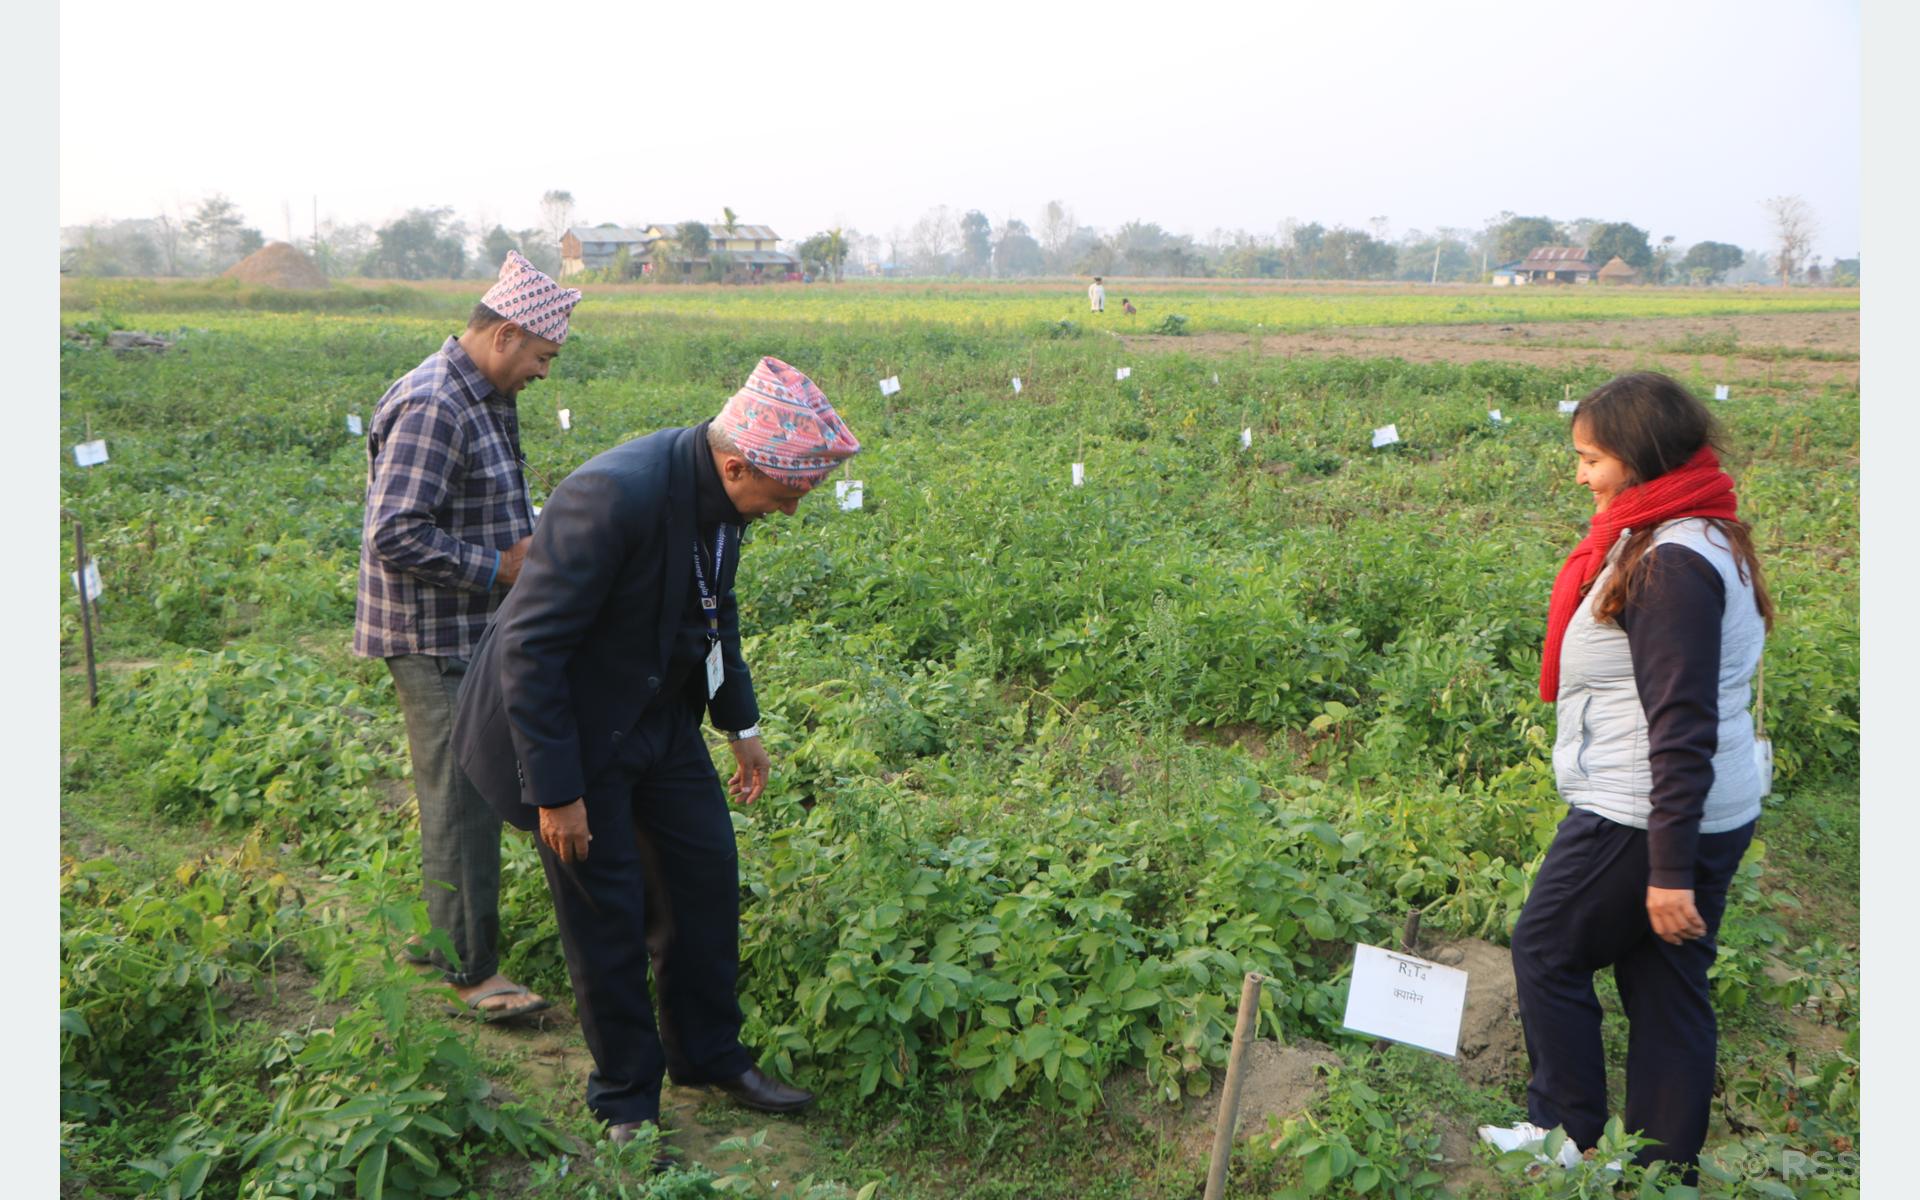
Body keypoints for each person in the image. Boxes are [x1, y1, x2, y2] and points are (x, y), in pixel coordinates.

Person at [451, 356, 860, 1145]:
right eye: (786, 495)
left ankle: (708, 1056)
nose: (791, 511)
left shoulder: (720, 504)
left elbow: (716, 608)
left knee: (703, 880)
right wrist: (557, 790)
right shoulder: (614, 496)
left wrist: (740, 725)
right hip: (572, 730)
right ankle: (625, 1102)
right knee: (607, 916)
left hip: (656, 718)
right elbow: (530, 651)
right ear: (739, 465)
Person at [1502, 372, 1770, 1183]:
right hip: (1700, 803)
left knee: (1546, 949)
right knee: (1665, 982)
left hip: (1640, 808)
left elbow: (1679, 721)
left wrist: (1667, 869)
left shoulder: (1672, 562)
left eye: (1591, 458)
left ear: (1639, 457)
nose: (1580, 474)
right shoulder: (1684, 529)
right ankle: (1658, 1170)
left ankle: (1566, 1138)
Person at [353, 250, 580, 1023]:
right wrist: (500, 567)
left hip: (470, 628)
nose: (545, 373)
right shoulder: (436, 404)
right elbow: (394, 533)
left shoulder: (482, 395)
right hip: (433, 634)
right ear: (508, 334)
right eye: (544, 356)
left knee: (464, 793)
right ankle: (467, 971)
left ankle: (440, 943)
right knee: (463, 799)